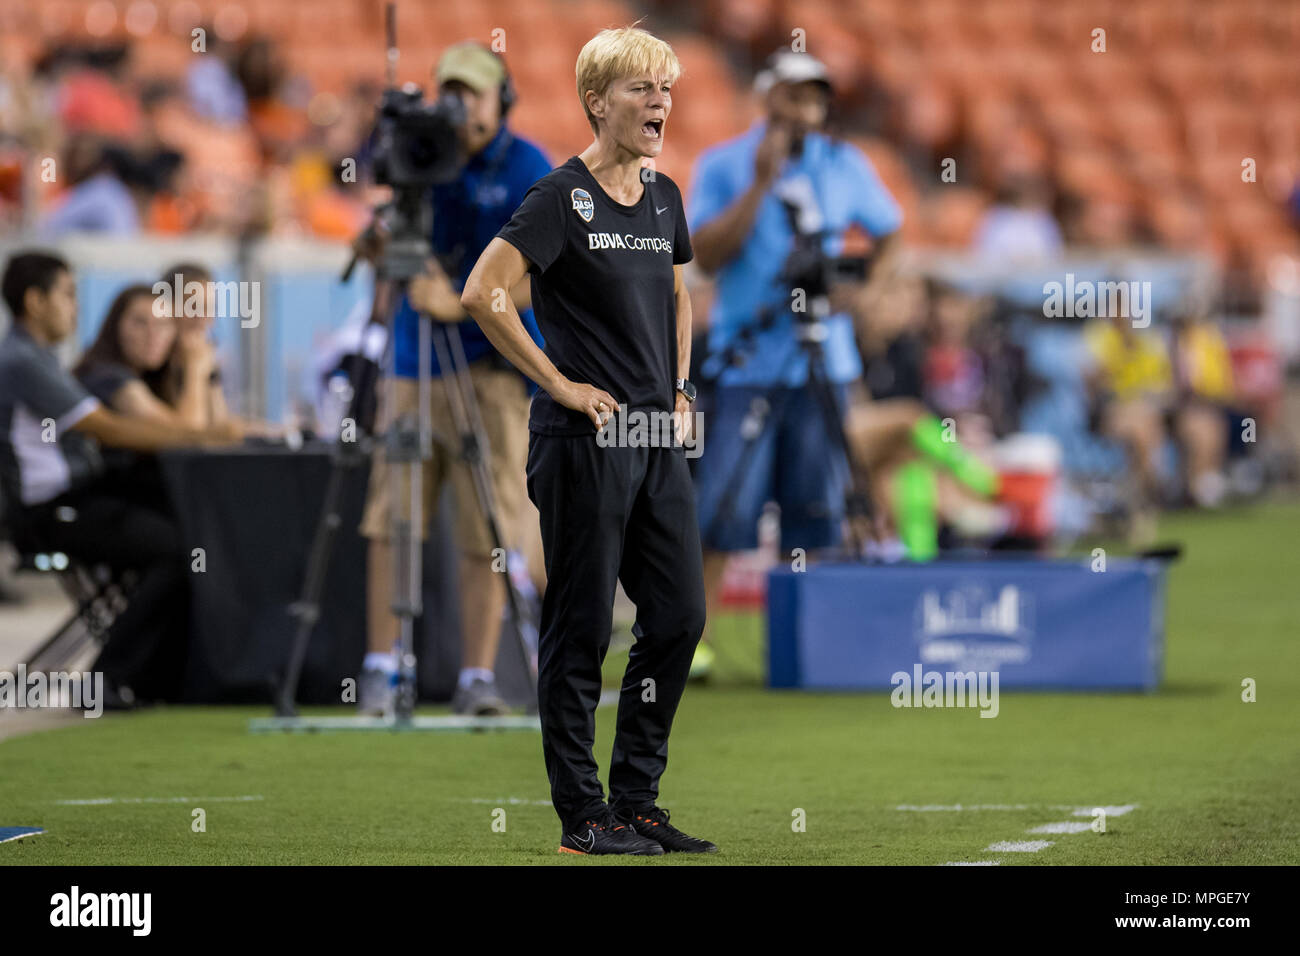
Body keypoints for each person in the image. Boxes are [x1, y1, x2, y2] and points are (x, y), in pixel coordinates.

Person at [462, 26, 715, 856]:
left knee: (678, 615)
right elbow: (483, 293)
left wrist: (679, 388)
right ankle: (583, 816)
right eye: (643, 90)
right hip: (582, 441)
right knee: (580, 631)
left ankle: (637, 798)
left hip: (655, 438)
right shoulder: (557, 198)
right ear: (597, 101)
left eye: (666, 90)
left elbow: (676, 297)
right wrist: (560, 384)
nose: (660, 104)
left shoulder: (664, 195)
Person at [687, 50, 903, 670]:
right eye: (793, 95)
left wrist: (864, 293)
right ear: (768, 98)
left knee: (815, 509)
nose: (805, 108)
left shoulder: (845, 164)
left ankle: (804, 642)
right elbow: (705, 252)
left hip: (822, 361)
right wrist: (760, 182)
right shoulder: (727, 164)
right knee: (726, 507)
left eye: (814, 97)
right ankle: (693, 646)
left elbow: (890, 232)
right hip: (749, 360)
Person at [355, 42, 551, 717]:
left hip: (491, 371)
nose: (459, 107)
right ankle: (380, 668)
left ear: (503, 100)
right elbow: (385, 224)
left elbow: (547, 278)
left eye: (474, 94)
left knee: (487, 527)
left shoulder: (529, 167)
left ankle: (475, 678)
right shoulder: (416, 148)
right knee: (393, 519)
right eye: (451, 92)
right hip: (412, 365)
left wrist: (465, 297)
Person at [0, 251, 238, 704]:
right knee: (177, 551)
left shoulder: (40, 357)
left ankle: (167, 675)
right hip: (49, 513)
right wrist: (194, 432)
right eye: (68, 295)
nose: (75, 307)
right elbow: (107, 427)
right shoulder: (23, 361)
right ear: (35, 302)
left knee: (189, 528)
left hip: (77, 497)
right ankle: (110, 678)